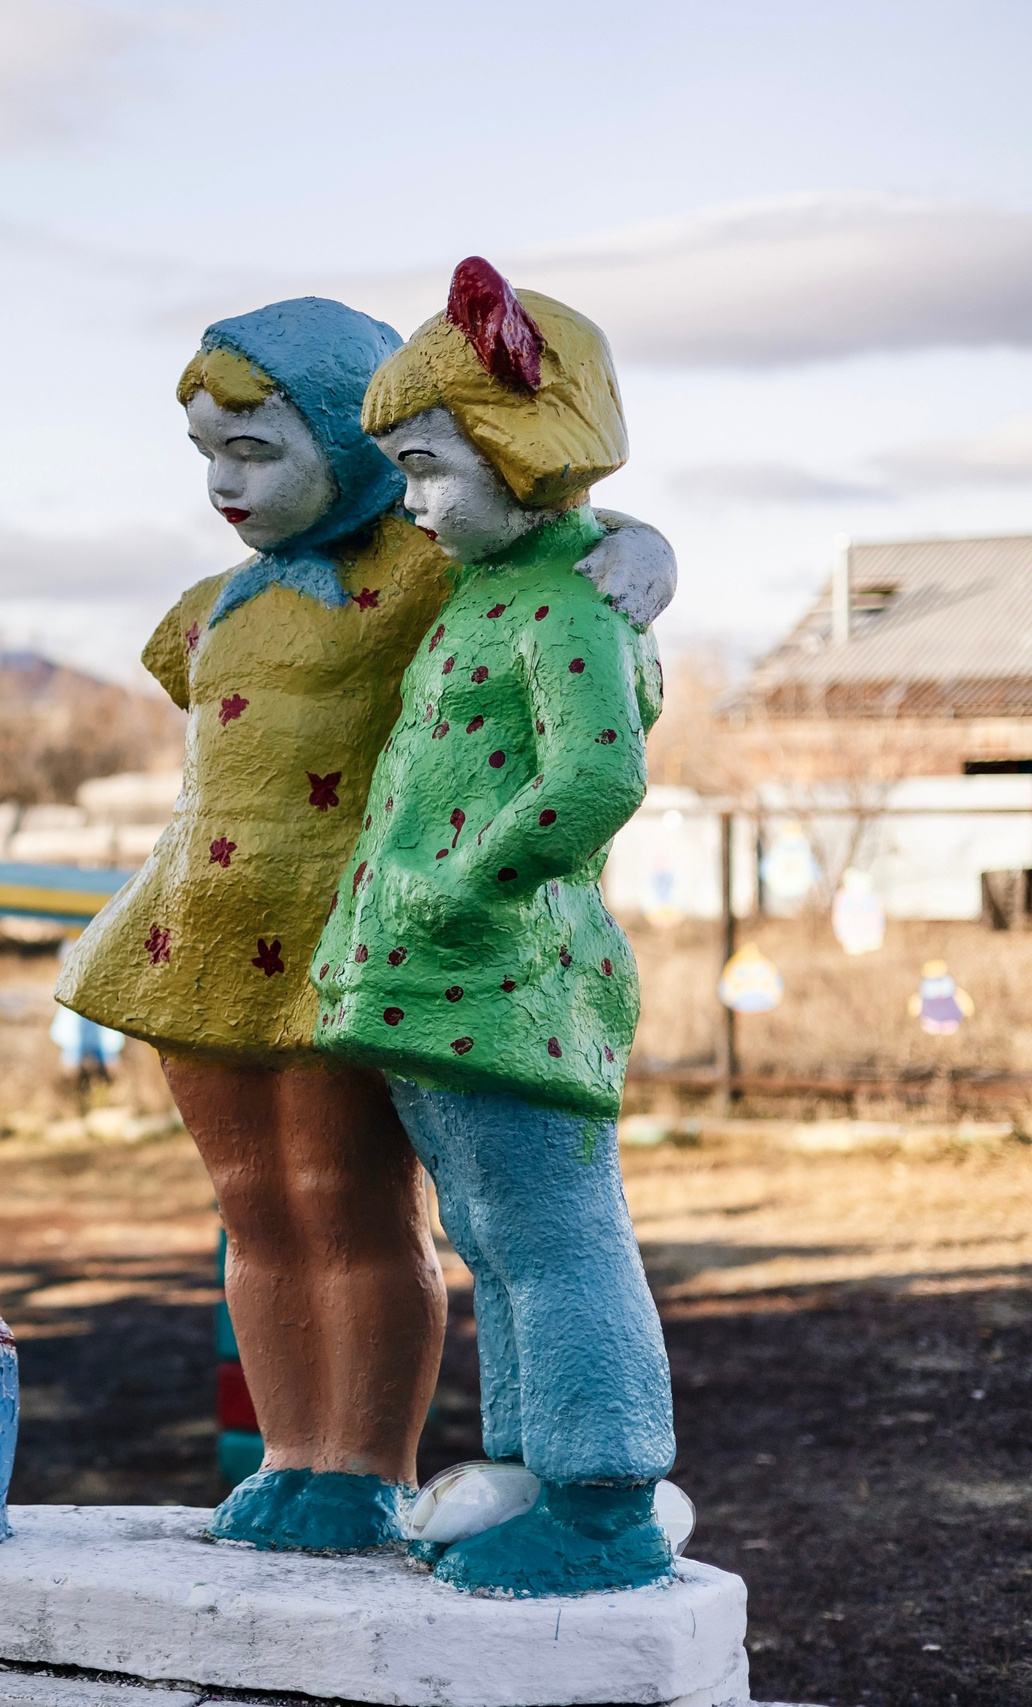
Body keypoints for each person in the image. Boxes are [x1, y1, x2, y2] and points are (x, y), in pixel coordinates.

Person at [57, 295, 675, 1553]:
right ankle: (294, 1450)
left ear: (352, 439)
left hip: (366, 944)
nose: (226, 486)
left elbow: (552, 539)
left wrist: (645, 543)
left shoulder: (425, 564)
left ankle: (363, 1465)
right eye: (207, 457)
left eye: (255, 449)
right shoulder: (210, 609)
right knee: (256, 1208)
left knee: (355, 1203)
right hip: (201, 934)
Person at [312, 257, 674, 1595]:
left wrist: (462, 882)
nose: (413, 503)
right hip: (436, 984)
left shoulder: (574, 594)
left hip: (509, 974)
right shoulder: (488, 583)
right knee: (492, 1231)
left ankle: (605, 1492)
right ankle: (531, 1465)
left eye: (429, 467)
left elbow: (597, 776)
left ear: (528, 444)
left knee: (555, 1233)